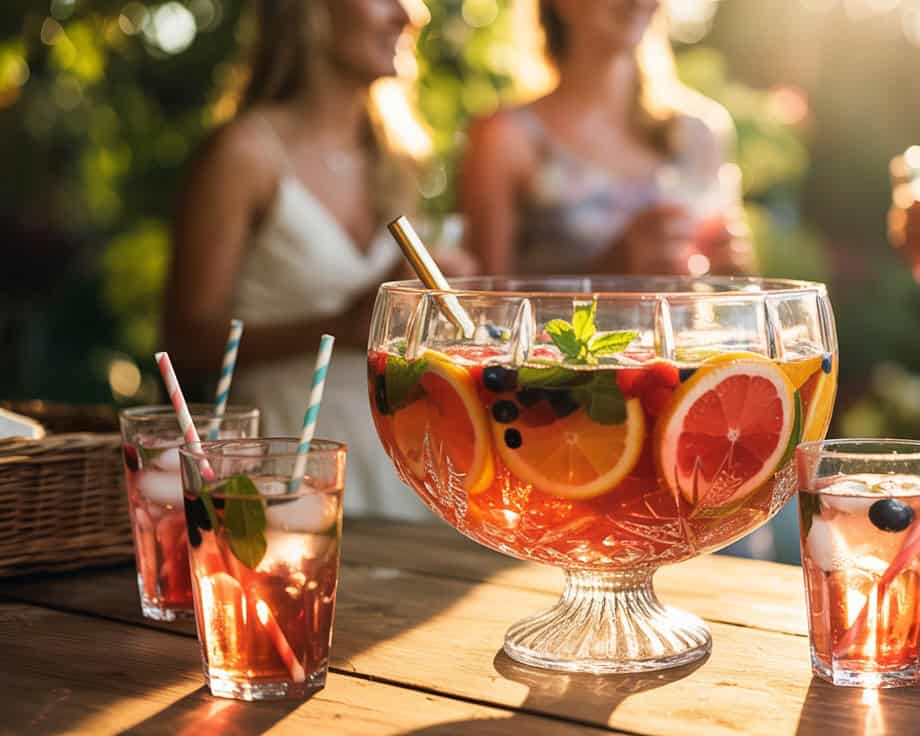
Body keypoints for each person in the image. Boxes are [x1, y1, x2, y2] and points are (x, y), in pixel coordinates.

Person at [162, 0, 474, 520]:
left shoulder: (398, 159)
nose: (410, 15)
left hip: (400, 472)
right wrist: (342, 327)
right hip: (284, 471)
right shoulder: (244, 154)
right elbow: (184, 344)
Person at [459, 0, 753, 277]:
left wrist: (729, 273)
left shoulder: (702, 133)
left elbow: (728, 286)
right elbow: (484, 301)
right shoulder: (506, 137)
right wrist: (611, 271)